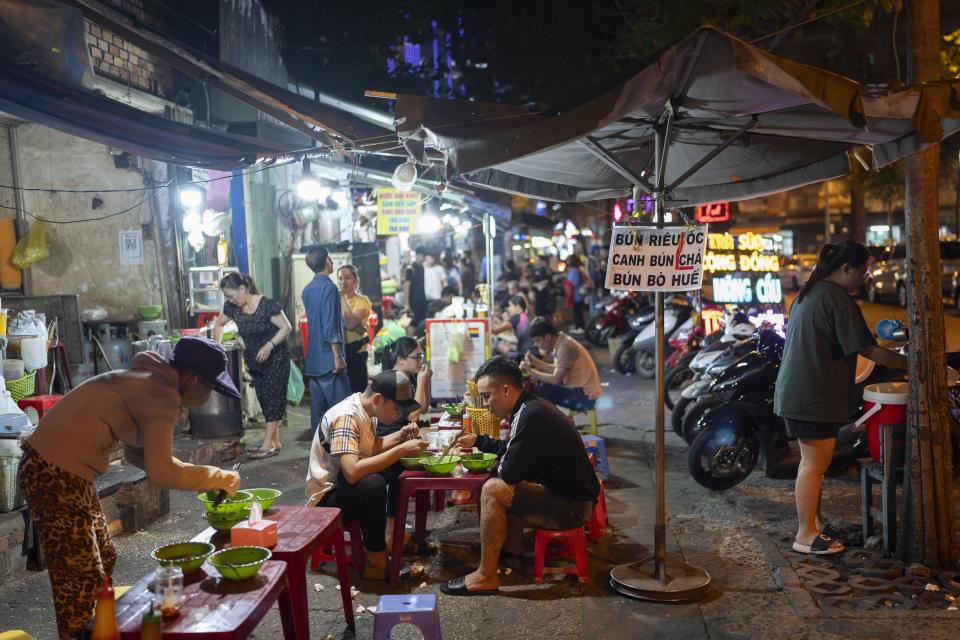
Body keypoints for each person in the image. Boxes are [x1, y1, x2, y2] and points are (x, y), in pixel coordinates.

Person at [19, 337, 242, 638]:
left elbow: (144, 457)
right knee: (79, 576)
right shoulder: (160, 394)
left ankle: (99, 626)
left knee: (104, 557)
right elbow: (162, 472)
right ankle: (79, 632)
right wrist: (218, 477)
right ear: (192, 378)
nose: (208, 394)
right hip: (54, 473)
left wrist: (214, 476)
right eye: (210, 386)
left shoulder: (149, 379)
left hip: (65, 471)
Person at [774, 241, 907, 555]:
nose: (866, 276)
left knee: (814, 464)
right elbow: (868, 349)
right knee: (813, 465)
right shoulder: (837, 299)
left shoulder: (811, 292)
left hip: (801, 392)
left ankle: (815, 523)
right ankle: (805, 534)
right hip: (812, 396)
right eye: (863, 270)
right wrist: (910, 363)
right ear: (846, 268)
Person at [439, 356, 600, 595]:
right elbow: (513, 452)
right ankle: (512, 549)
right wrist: (479, 441)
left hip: (572, 508)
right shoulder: (527, 407)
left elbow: (510, 472)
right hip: (571, 497)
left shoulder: (530, 415)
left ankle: (485, 576)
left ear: (505, 390)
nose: (485, 404)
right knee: (506, 480)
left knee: (494, 488)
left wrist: (503, 464)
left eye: (486, 396)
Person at [306, 370, 429, 579]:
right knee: (373, 484)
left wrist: (400, 437)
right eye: (397, 408)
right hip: (326, 501)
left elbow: (370, 448)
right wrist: (400, 449)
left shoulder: (367, 410)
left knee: (396, 465)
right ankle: (376, 562)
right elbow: (353, 473)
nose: (400, 415)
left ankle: (392, 535)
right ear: (379, 399)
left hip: (344, 486)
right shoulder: (346, 417)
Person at [213, 272, 292, 458]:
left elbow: (286, 327)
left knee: (273, 397)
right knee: (264, 397)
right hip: (254, 359)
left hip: (276, 358)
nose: (230, 301)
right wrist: (218, 347)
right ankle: (275, 441)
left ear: (243, 289)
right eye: (227, 297)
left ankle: (267, 444)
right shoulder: (233, 308)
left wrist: (270, 345)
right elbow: (219, 325)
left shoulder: (267, 305)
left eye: (232, 296)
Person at [302, 245, 351, 439]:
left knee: (318, 415)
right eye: (330, 258)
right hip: (329, 360)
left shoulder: (307, 290)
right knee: (344, 412)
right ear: (327, 262)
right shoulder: (330, 288)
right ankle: (346, 453)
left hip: (313, 360)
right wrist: (337, 356)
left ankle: (320, 455)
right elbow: (330, 326)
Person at [521, 317, 602, 412]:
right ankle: (552, 421)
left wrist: (531, 372)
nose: (536, 344)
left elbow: (556, 379)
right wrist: (536, 363)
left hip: (586, 398)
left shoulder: (565, 346)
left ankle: (553, 423)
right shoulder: (561, 341)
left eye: (537, 340)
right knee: (542, 385)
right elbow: (557, 370)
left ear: (547, 337)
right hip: (580, 391)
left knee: (543, 389)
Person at [338, 264, 374, 394]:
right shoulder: (335, 301)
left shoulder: (362, 301)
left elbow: (351, 323)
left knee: (357, 391)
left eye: (347, 277)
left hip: (356, 352)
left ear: (356, 280)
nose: (343, 282)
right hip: (341, 352)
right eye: (340, 278)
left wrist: (342, 299)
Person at [565, 254, 591, 334]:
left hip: (576, 295)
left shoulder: (574, 271)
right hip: (575, 295)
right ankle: (577, 325)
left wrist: (568, 283)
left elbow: (574, 283)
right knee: (576, 311)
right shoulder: (575, 270)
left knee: (577, 311)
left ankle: (580, 327)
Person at [403, 248, 427, 325]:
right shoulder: (410, 268)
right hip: (414, 302)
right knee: (413, 323)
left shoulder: (422, 267)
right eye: (423, 256)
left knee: (422, 321)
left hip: (422, 300)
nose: (424, 259)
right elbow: (406, 286)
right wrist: (407, 304)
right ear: (417, 255)